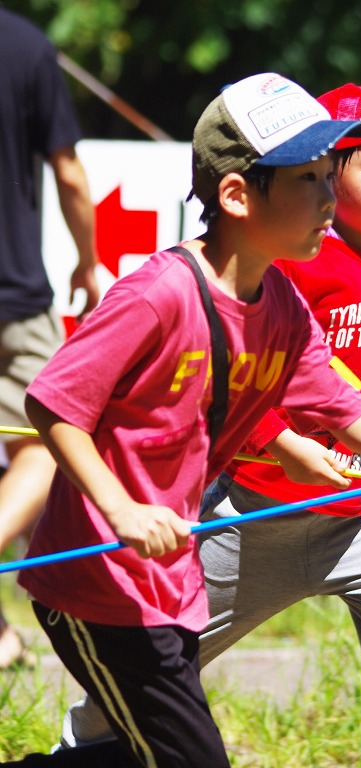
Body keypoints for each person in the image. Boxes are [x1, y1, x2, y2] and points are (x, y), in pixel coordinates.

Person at [3, 72, 361, 768]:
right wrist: (122, 509)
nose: (328, 197)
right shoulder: (160, 293)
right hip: (103, 579)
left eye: (327, 176)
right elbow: (51, 402)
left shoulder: (279, 301)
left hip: (170, 576)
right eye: (311, 180)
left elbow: (347, 411)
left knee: (137, 752)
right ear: (236, 195)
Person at [0, 8, 101, 670]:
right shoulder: (26, 46)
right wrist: (88, 263)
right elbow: (68, 172)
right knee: (49, 435)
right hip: (14, 293)